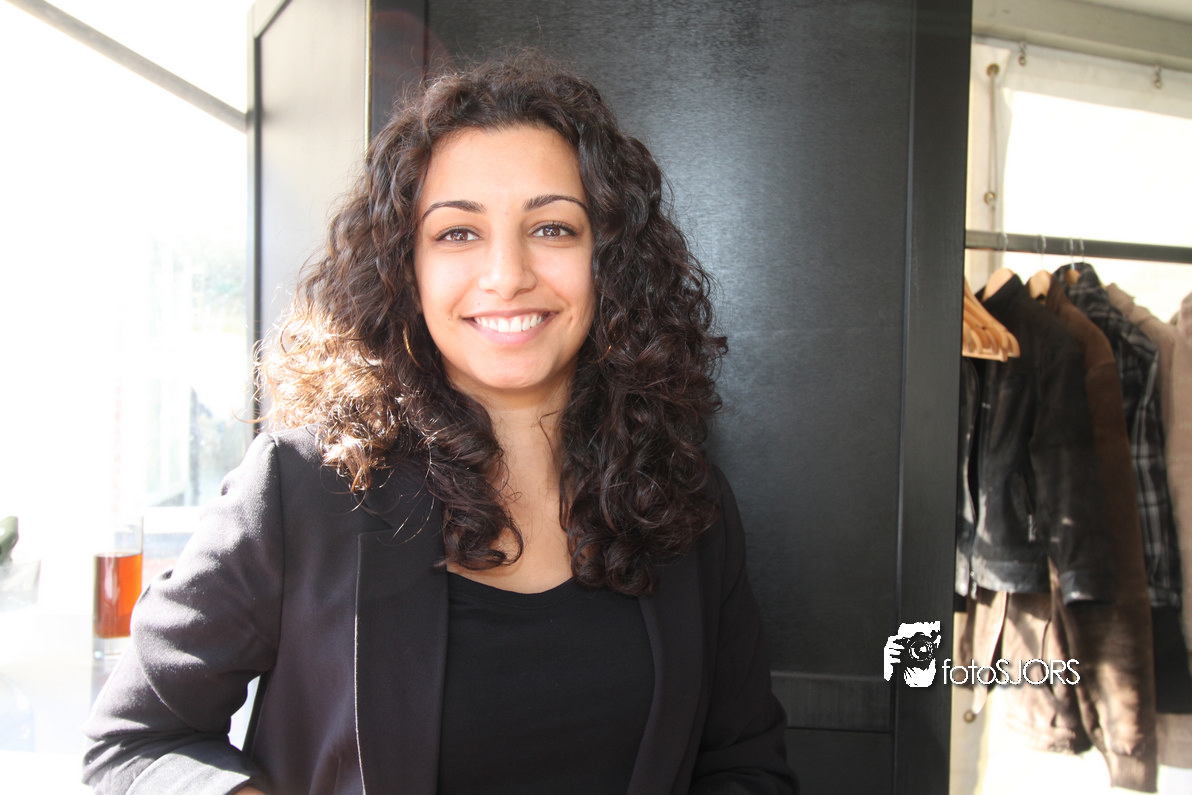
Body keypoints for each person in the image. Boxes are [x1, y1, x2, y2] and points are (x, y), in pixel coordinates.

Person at [82, 54, 795, 795]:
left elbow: (745, 765)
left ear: (609, 261)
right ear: (405, 268)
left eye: (553, 227)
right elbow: (134, 743)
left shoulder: (688, 504)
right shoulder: (299, 490)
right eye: (457, 234)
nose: (507, 274)